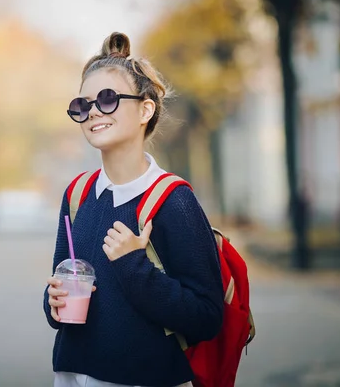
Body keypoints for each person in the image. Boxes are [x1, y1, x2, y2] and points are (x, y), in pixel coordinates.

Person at [43, 32, 224, 387]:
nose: (93, 111)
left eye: (108, 99)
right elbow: (64, 284)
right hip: (72, 376)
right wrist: (53, 302)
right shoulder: (78, 193)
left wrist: (133, 265)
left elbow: (207, 317)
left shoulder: (172, 199)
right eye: (83, 104)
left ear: (145, 109)